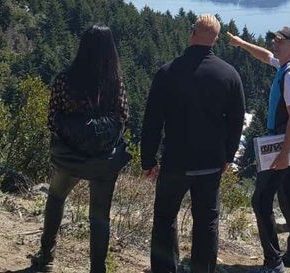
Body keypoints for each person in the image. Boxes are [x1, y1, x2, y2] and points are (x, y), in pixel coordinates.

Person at [141, 14, 246, 273]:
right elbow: (236, 121)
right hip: (210, 163)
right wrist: (228, 157)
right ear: (216, 39)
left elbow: (152, 119)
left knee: (165, 218)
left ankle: (165, 269)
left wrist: (148, 160)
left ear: (192, 34)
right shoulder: (229, 75)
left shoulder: (167, 72)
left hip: (175, 161)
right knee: (207, 221)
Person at [32, 23, 131, 273]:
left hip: (69, 157)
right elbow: (123, 116)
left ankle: (46, 257)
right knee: (100, 215)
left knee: (56, 198)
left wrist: (73, 137)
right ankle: (98, 268)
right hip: (103, 162)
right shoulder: (114, 82)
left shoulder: (65, 79)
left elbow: (52, 118)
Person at [228, 27, 290, 272]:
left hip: (283, 146)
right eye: (274, 40)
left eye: (280, 41)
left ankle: (273, 261)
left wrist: (284, 154)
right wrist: (241, 43)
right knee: (288, 198)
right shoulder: (289, 68)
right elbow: (265, 56)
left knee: (261, 200)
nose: (275, 44)